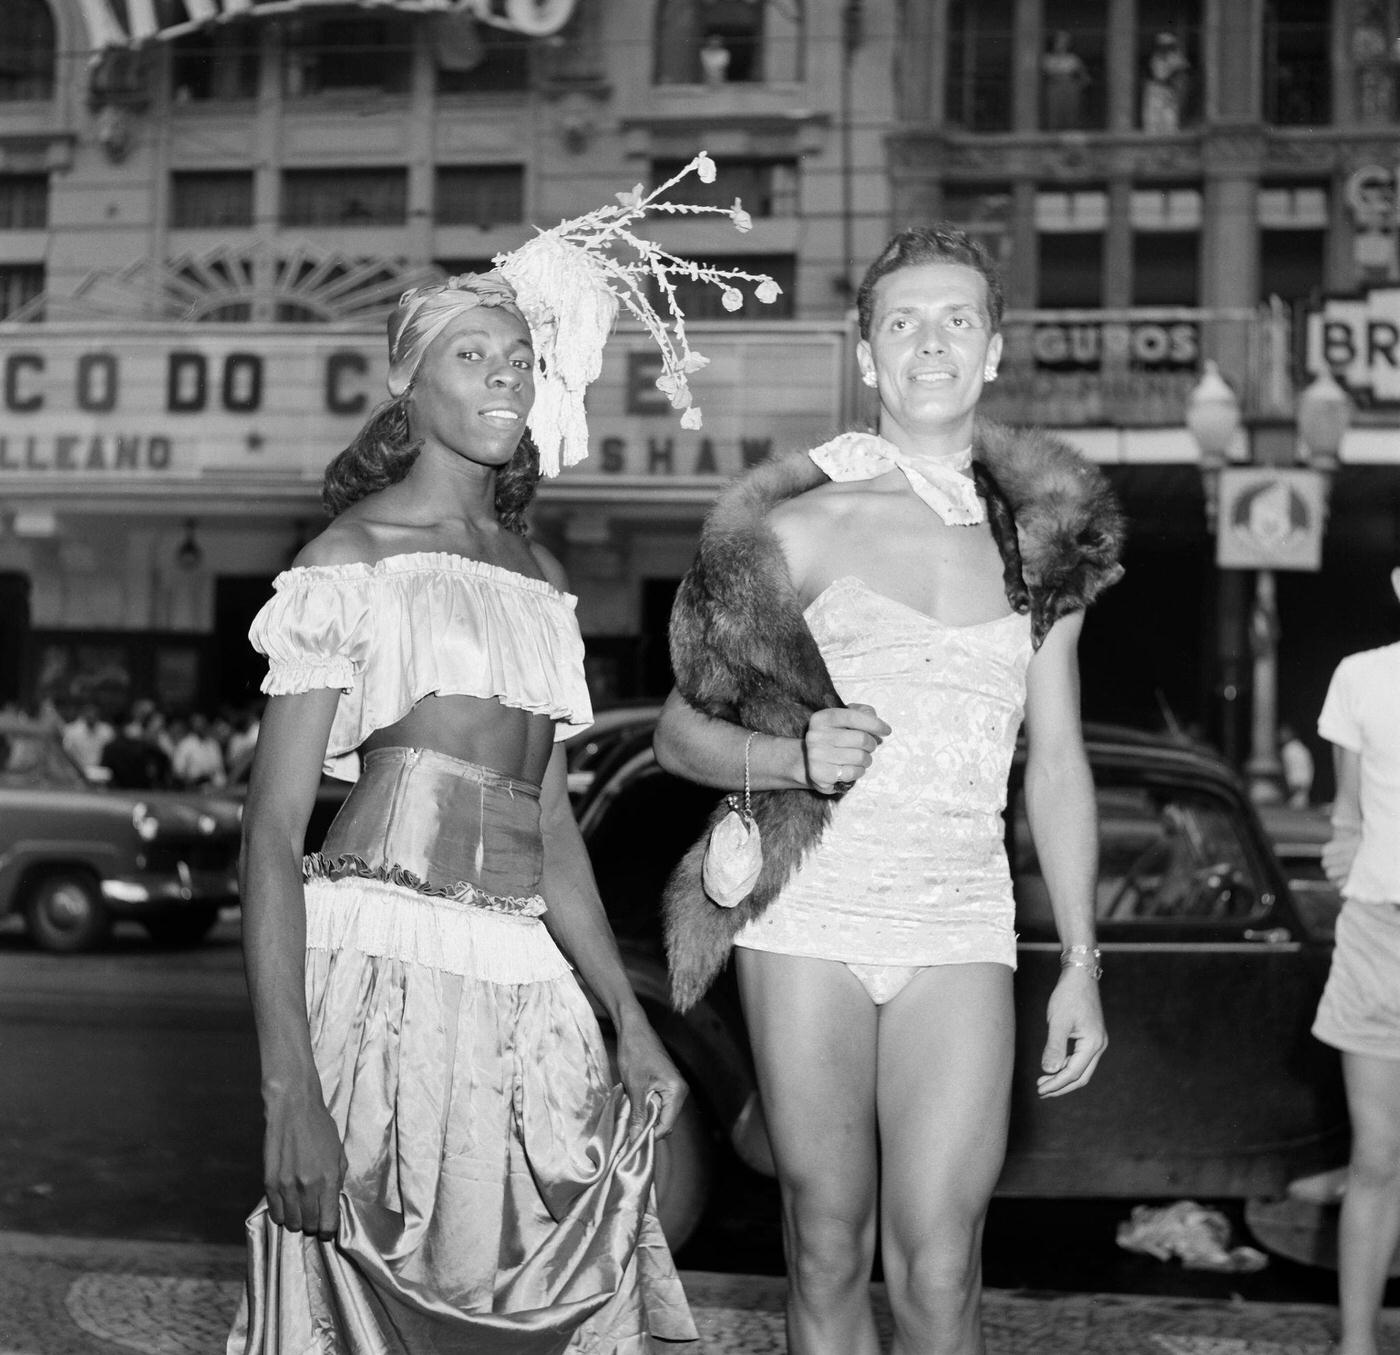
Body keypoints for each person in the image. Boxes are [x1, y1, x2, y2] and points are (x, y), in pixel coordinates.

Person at [228, 157, 771, 1355]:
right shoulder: (348, 558)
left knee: (555, 1262)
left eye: (519, 356)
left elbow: (553, 825)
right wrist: (289, 1094)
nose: (505, 376)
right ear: (404, 384)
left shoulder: (540, 578)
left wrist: (627, 1020)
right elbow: (270, 839)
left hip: (523, 965)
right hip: (380, 957)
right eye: (472, 355)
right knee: (377, 1275)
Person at [654, 225, 1124, 1354]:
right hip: (808, 914)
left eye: (956, 318)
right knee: (824, 1241)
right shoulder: (795, 528)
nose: (930, 341)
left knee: (940, 1265)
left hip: (961, 922)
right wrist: (790, 755)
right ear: (864, 356)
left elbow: (1054, 762)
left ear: (993, 350)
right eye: (902, 320)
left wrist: (1078, 964)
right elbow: (677, 730)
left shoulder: (1041, 544)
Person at [1313, 565, 1400, 1355]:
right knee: (1377, 1156)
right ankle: (1359, 1343)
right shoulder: (1362, 677)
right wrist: (1350, 856)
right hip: (1380, 934)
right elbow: (1344, 815)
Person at [1042, 29, 1091, 130]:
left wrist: (1076, 87)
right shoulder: (1047, 58)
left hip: (1070, 88)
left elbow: (1085, 78)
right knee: (1053, 114)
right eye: (1059, 41)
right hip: (1053, 87)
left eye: (1064, 41)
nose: (1061, 44)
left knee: (1070, 114)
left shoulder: (1073, 58)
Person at [1142, 31, 1190, 132]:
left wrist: (1176, 82)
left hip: (1169, 92)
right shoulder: (1155, 58)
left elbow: (1183, 71)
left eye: (1168, 46)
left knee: (1170, 121)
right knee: (1152, 122)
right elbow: (1158, 76)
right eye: (1163, 46)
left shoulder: (1175, 56)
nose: (1166, 48)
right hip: (1155, 89)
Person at [1279, 721, 1315, 808]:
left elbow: (1298, 768)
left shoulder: (1291, 748)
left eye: (1284, 733)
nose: (1280, 736)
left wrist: (1295, 784)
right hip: (1302, 783)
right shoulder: (1297, 747)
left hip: (1298, 784)